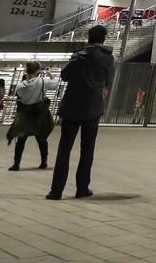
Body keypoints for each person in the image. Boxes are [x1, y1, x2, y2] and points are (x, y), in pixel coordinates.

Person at [46, 25, 115, 200]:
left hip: (71, 107)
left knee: (64, 149)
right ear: (104, 39)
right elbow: (109, 80)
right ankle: (82, 187)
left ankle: (56, 190)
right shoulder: (107, 59)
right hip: (92, 108)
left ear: (88, 38)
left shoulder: (77, 56)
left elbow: (65, 76)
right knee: (87, 148)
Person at [7, 62, 59, 171]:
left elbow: (20, 96)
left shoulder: (21, 85)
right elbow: (54, 86)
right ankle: (43, 162)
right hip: (39, 114)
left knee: (21, 139)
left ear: (27, 71)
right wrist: (51, 74)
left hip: (25, 114)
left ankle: (16, 164)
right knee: (41, 138)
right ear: (37, 71)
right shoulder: (43, 82)